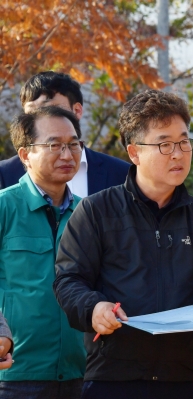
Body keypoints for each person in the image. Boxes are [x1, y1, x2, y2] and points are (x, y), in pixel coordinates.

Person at [53, 90, 193, 399]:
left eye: (184, 141)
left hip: (182, 380)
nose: (178, 153)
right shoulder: (96, 211)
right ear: (134, 153)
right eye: (164, 144)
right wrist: (94, 307)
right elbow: (69, 280)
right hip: (112, 379)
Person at [0, 106, 86, 398]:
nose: (67, 154)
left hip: (81, 372)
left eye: (73, 144)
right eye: (54, 145)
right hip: (15, 374)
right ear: (25, 155)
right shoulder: (4, 207)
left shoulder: (90, 212)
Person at [0, 71, 129, 196]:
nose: (41, 120)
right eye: (32, 114)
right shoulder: (5, 174)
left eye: (50, 109)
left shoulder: (121, 173)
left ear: (77, 110)